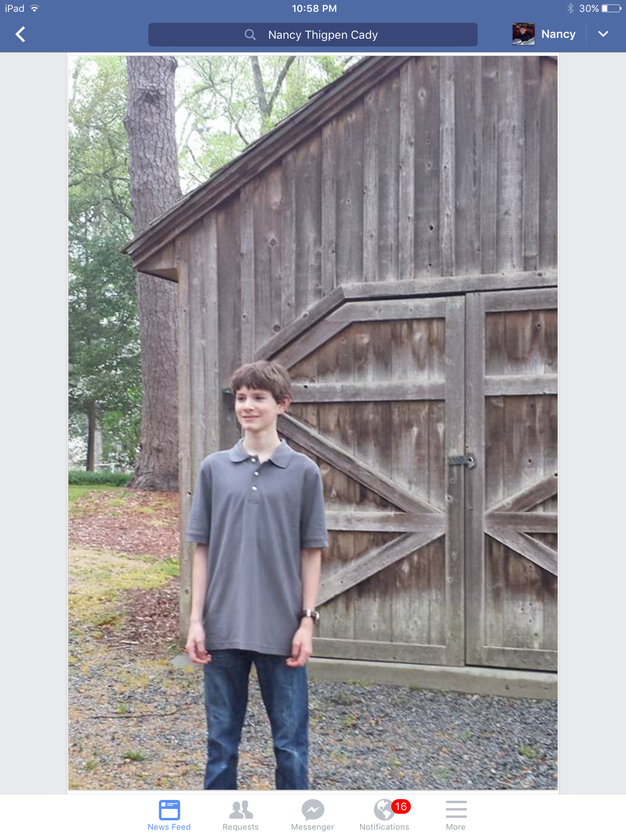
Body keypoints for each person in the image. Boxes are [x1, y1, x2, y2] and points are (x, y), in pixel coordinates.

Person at [185, 360, 328, 790]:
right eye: (241, 397)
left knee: (291, 746)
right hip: (222, 630)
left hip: (282, 632)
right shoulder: (214, 468)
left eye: (259, 397)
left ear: (283, 404)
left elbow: (311, 552)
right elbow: (202, 549)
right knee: (220, 745)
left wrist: (306, 622)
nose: (247, 405)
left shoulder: (304, 472)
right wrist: (196, 621)